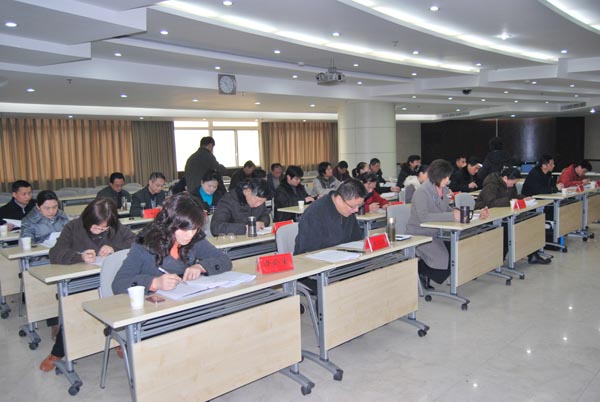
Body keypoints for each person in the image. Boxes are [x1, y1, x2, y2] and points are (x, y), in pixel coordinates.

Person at [40, 198, 135, 372]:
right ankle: (57, 352)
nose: (100, 231)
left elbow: (136, 242)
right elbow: (55, 253)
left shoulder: (115, 227)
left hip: (111, 281)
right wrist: (80, 256)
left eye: (105, 228)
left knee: (121, 305)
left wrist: (115, 248)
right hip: (81, 284)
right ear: (87, 220)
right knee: (72, 313)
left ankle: (121, 340)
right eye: (97, 227)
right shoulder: (73, 227)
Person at [112, 193, 233, 295]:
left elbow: (224, 260)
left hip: (185, 299)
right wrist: (154, 283)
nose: (190, 235)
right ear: (170, 224)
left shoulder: (194, 238)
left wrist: (201, 266)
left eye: (195, 229)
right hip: (154, 307)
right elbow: (119, 284)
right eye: (184, 230)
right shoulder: (144, 244)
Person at [406, 159, 489, 287]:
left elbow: (446, 209)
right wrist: (452, 215)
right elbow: (424, 217)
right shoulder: (421, 192)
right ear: (437, 176)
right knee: (445, 258)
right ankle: (419, 270)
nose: (447, 180)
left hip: (436, 233)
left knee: (457, 251)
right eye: (445, 177)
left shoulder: (442, 190)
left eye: (448, 177)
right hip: (420, 234)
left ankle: (427, 271)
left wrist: (467, 213)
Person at [475, 168, 550, 265]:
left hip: (505, 213)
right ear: (505, 178)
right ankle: (497, 260)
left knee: (526, 224)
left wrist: (523, 198)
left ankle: (533, 254)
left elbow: (514, 197)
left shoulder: (511, 185)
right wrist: (510, 201)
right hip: (487, 215)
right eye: (513, 182)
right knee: (508, 229)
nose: (513, 185)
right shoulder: (491, 185)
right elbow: (490, 203)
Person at [294, 179, 366, 255]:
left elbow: (356, 239)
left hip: (342, 256)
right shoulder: (315, 213)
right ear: (339, 200)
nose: (356, 210)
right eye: (353, 206)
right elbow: (309, 250)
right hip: (313, 259)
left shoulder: (348, 211)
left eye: (359, 206)